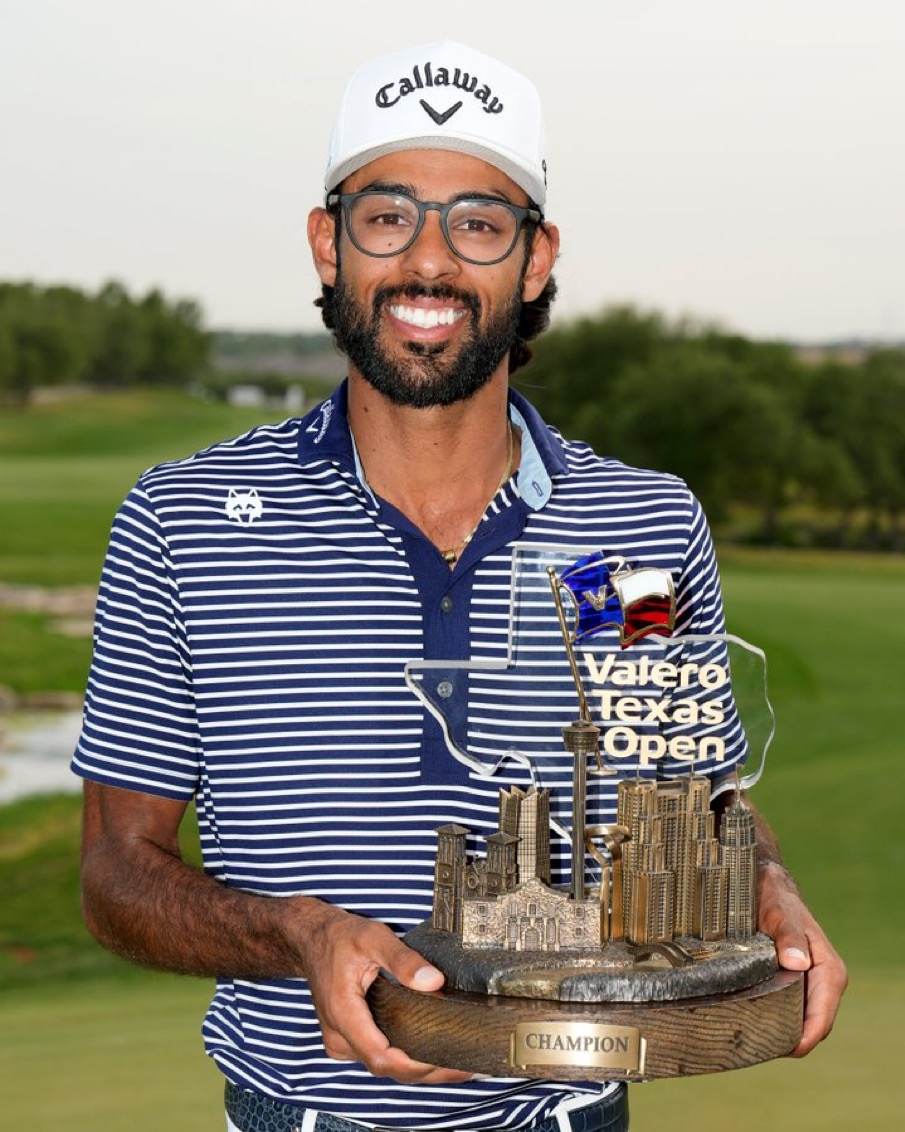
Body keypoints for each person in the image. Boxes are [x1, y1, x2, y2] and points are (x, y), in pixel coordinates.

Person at [73, 39, 847, 1132]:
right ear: (327, 243)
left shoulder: (629, 528)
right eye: (386, 216)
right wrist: (300, 935)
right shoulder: (188, 519)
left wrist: (760, 882)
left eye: (478, 223)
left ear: (532, 260)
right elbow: (116, 873)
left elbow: (683, 796)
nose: (428, 264)